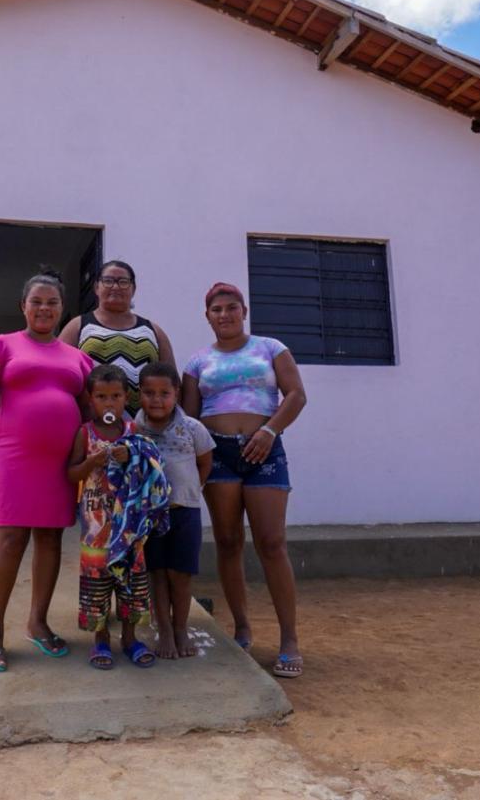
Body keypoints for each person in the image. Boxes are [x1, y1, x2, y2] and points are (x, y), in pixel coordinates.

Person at [181, 282, 308, 679]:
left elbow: (296, 395)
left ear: (244, 310)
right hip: (218, 456)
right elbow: (188, 418)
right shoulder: (197, 362)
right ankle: (242, 628)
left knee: (272, 543)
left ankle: (289, 639)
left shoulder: (271, 348)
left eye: (231, 307)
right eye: (216, 309)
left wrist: (269, 431)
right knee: (228, 541)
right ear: (207, 316)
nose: (224, 314)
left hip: (265, 451)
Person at [0, 272, 93, 673]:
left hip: (61, 462)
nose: (44, 308)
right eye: (36, 301)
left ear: (61, 309)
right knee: (10, 540)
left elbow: (93, 409)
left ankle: (38, 623)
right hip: (16, 455)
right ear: (23, 306)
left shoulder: (78, 357)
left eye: (52, 302)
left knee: (51, 539)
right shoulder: (1, 346)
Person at [66, 365, 157, 669]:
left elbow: (149, 470)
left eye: (115, 396)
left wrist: (131, 456)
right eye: (102, 397)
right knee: (97, 586)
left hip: (128, 531)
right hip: (95, 531)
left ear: (126, 398)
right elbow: (71, 473)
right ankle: (101, 639)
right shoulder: (85, 433)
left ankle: (130, 639)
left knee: (131, 583)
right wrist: (92, 461)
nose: (109, 403)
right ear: (91, 400)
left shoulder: (133, 433)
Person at [134, 361, 214, 660]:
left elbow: (205, 463)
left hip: (185, 512)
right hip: (150, 516)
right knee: (157, 573)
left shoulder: (193, 428)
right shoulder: (134, 427)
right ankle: (164, 628)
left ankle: (181, 627)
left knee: (180, 574)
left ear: (177, 394)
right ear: (139, 394)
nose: (157, 400)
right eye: (149, 393)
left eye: (164, 393)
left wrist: (190, 491)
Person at [59, 260, 176, 416]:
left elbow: (172, 380)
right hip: (93, 426)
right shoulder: (78, 326)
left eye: (123, 282)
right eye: (108, 281)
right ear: (96, 287)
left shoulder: (153, 330)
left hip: (144, 429)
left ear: (133, 289)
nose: (115, 287)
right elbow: (58, 375)